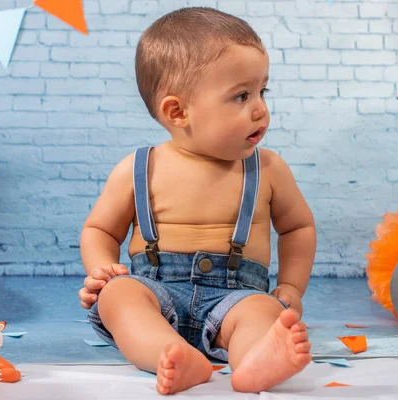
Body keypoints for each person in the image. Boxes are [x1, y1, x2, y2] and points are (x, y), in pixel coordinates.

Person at [79, 6, 316, 395]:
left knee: (264, 312)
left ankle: (255, 360)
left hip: (236, 297)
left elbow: (297, 227)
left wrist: (291, 287)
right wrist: (104, 269)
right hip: (156, 290)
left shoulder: (268, 169)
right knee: (118, 297)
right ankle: (167, 352)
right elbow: (100, 228)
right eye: (241, 96)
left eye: (262, 91)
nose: (260, 108)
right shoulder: (140, 167)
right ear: (178, 112)